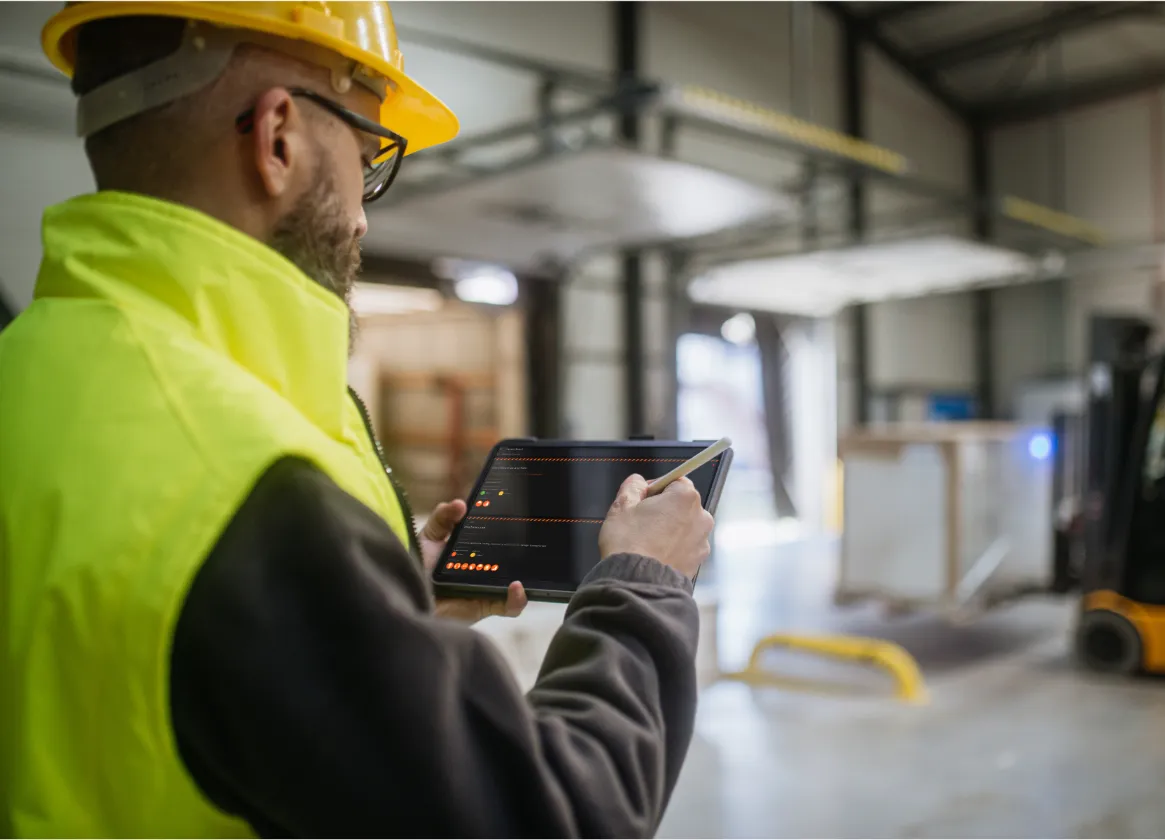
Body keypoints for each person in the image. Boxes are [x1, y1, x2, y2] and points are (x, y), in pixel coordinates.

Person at [0, 3, 715, 836]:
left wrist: (382, 593)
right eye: (371, 157)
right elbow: (558, 814)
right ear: (279, 138)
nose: (367, 213)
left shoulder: (30, 369)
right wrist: (642, 583)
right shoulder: (250, 496)